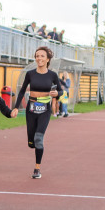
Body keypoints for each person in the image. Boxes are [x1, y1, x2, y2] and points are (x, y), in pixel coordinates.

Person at [13, 46, 64, 179]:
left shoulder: (52, 75)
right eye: (37, 56)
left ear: (47, 59)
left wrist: (56, 93)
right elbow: (22, 91)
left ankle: (37, 168)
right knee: (31, 141)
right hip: (31, 109)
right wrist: (16, 107)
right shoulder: (30, 74)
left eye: (42, 56)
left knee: (38, 139)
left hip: (44, 110)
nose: (39, 58)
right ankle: (31, 141)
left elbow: (61, 91)